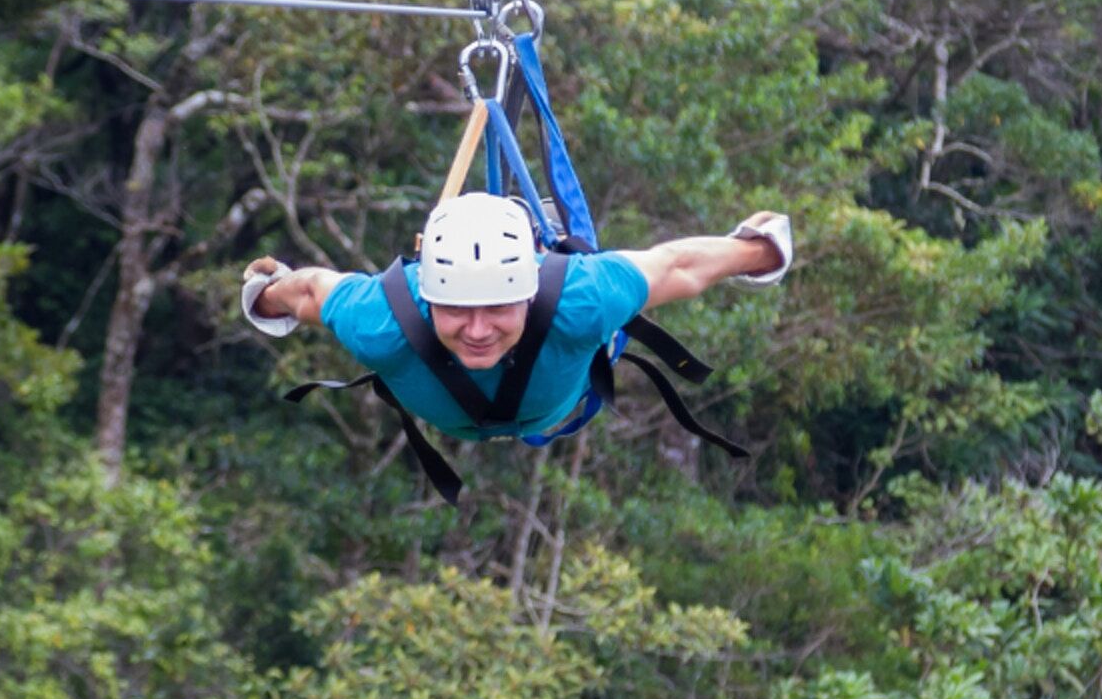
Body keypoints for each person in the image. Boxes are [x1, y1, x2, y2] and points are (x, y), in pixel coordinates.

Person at [240, 194, 791, 483]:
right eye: (457, 310)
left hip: (559, 383)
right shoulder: (383, 321)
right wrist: (267, 293)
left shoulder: (579, 300)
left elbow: (678, 267)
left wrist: (759, 250)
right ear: (428, 297)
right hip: (543, 396)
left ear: (528, 293)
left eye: (498, 309)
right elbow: (310, 293)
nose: (478, 332)